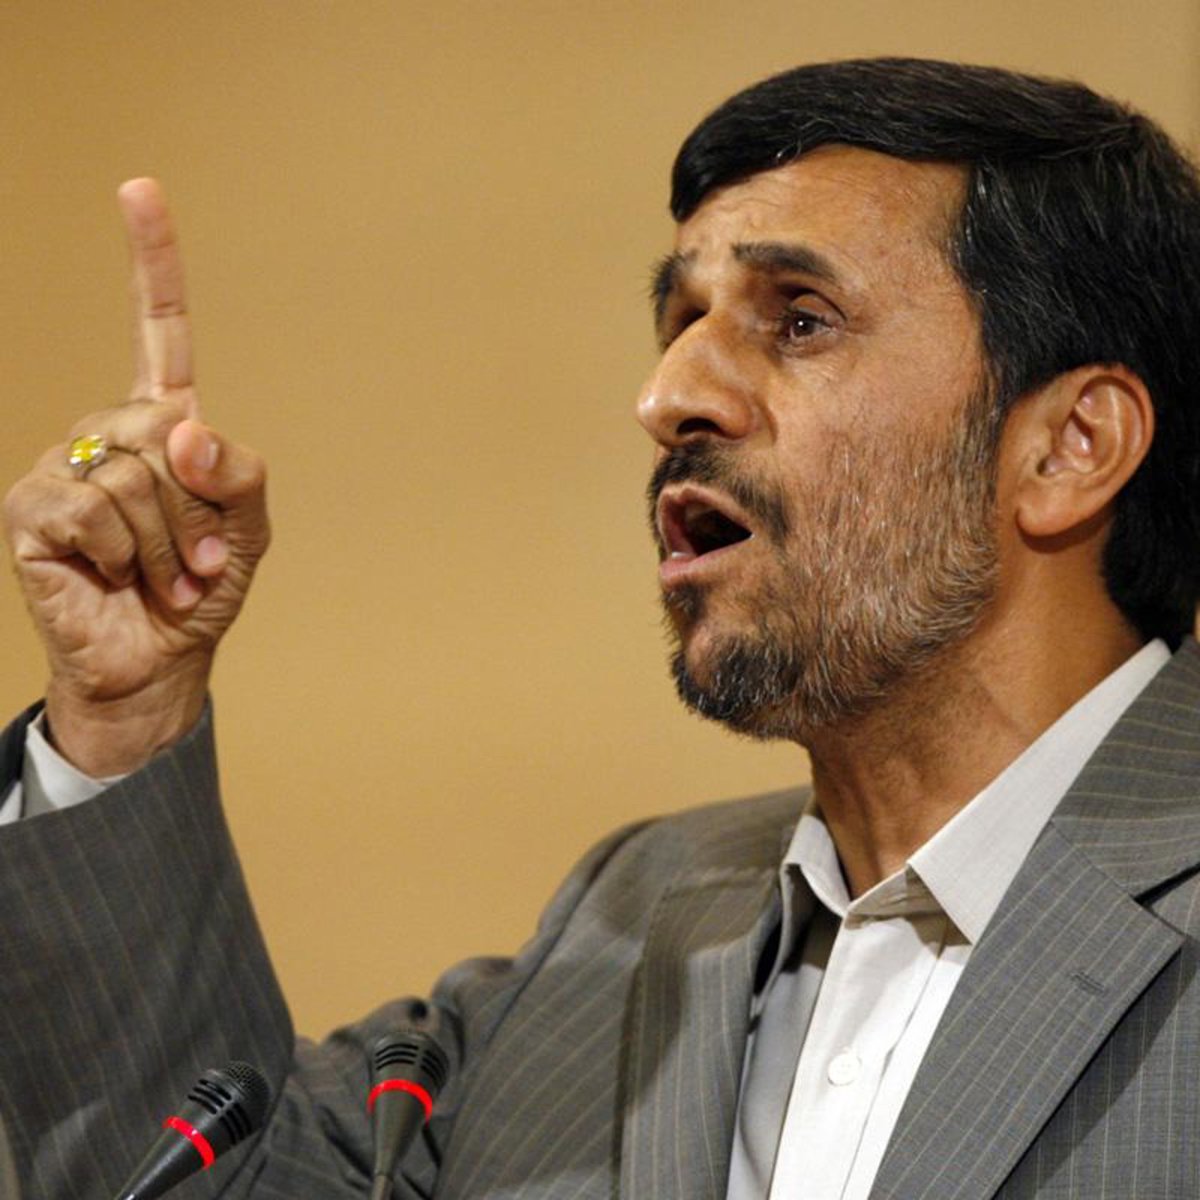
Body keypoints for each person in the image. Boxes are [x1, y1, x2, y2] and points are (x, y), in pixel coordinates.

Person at [3, 55, 1200, 1200]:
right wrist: (125, 714)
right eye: (680, 319)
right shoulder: (627, 924)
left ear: (1069, 446)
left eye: (800, 320)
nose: (667, 394)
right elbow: (211, 1177)